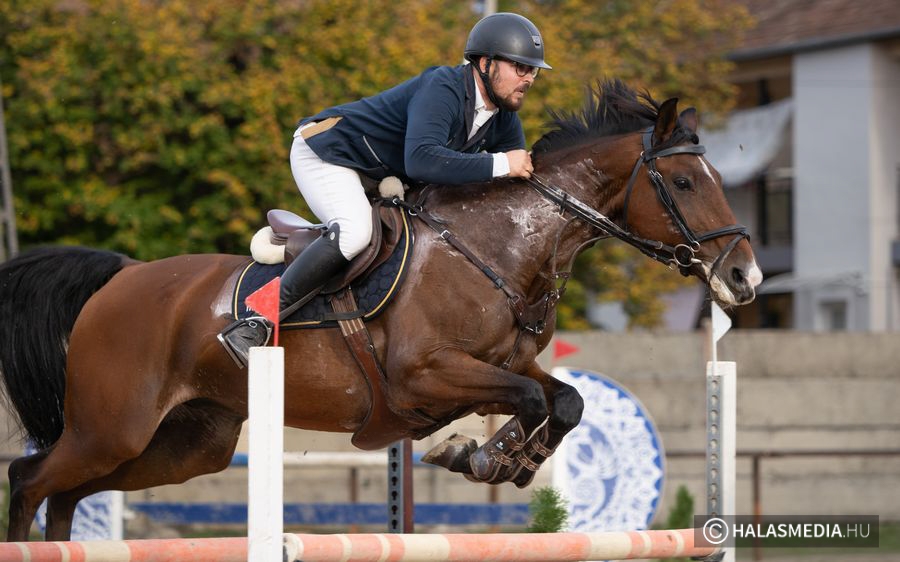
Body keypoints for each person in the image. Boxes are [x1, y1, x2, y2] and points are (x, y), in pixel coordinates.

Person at [219, 12, 551, 367]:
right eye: (519, 67)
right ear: (485, 63)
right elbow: (422, 161)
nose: (528, 78)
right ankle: (257, 318)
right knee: (354, 232)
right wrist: (502, 164)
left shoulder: (503, 118)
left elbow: (513, 186)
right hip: (330, 153)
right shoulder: (444, 87)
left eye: (532, 71)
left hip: (377, 171)